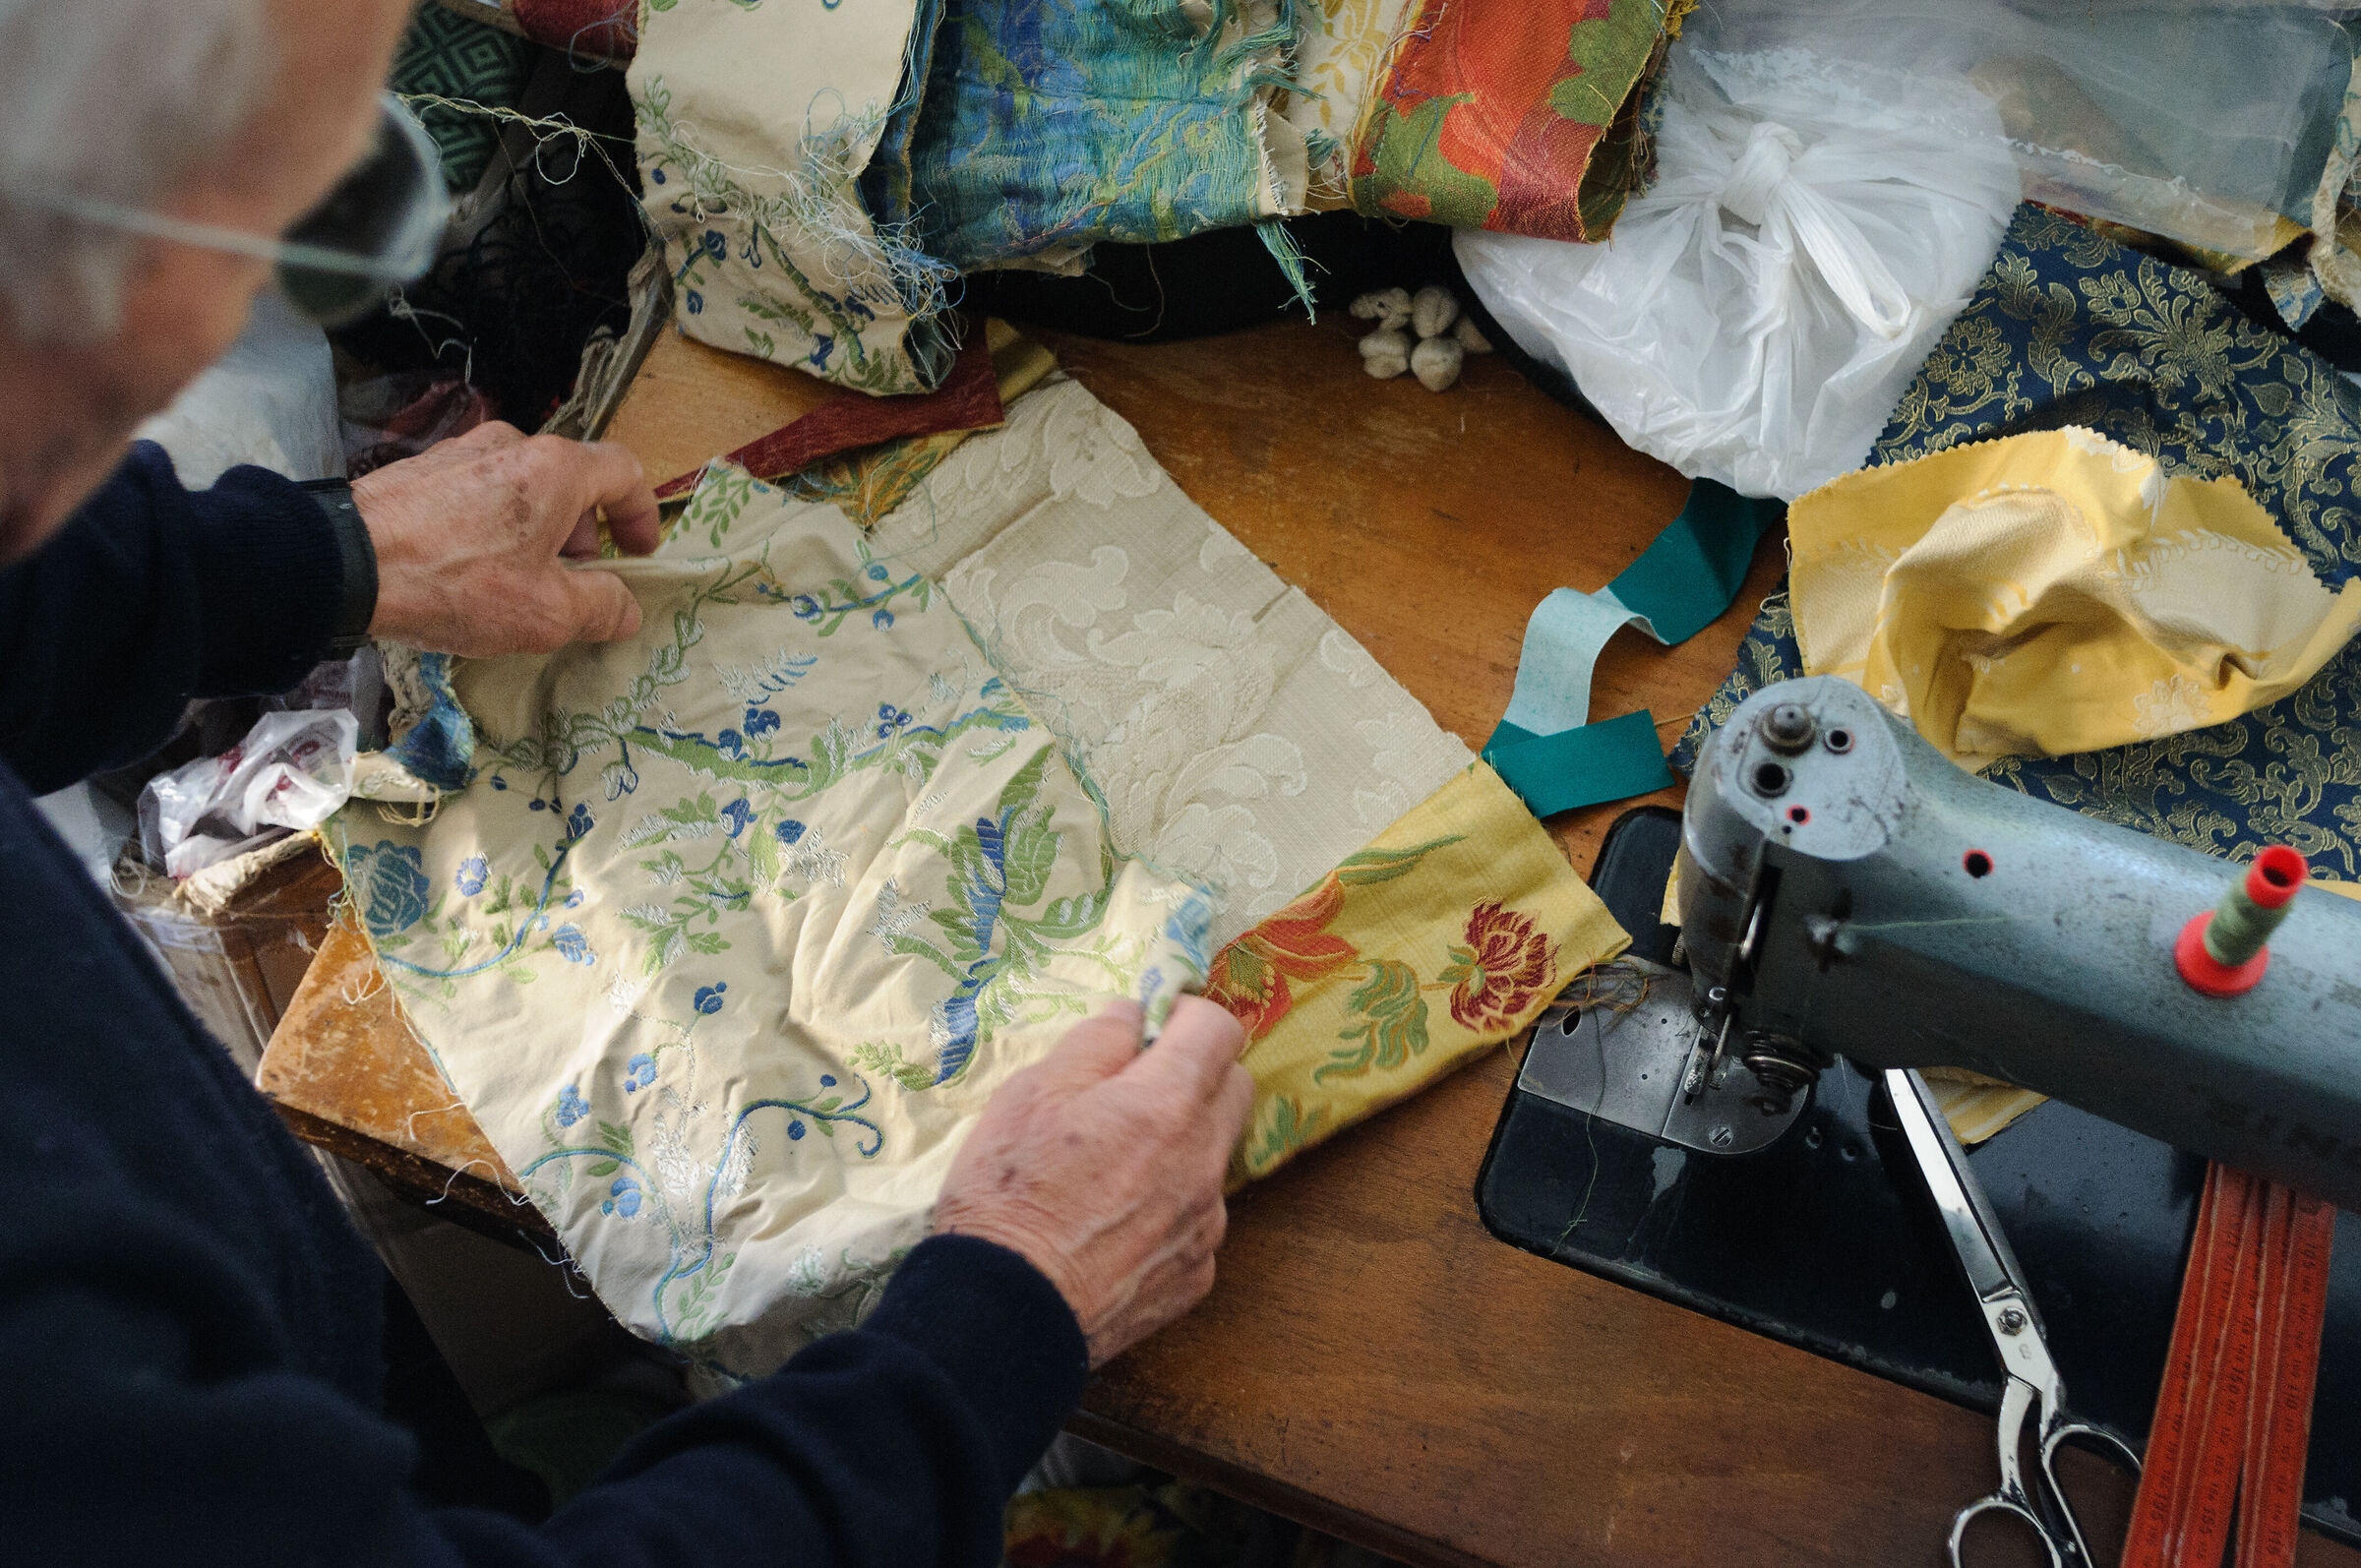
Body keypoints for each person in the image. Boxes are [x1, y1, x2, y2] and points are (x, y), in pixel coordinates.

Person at [0, 3, 1255, 1564]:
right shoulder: (46, 1384)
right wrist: (1002, 1308)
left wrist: (327, 555)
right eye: (253, 218)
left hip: (293, 1350)